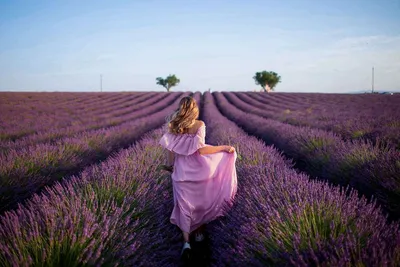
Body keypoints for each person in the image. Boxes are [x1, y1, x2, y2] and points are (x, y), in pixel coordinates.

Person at [159, 96, 238, 261]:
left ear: (181, 108)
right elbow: (201, 151)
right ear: (194, 108)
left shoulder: (174, 125)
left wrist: (170, 166)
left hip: (181, 172)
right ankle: (200, 234)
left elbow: (170, 151)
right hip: (199, 171)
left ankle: (186, 243)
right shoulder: (199, 124)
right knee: (201, 201)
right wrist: (225, 148)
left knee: (183, 206)